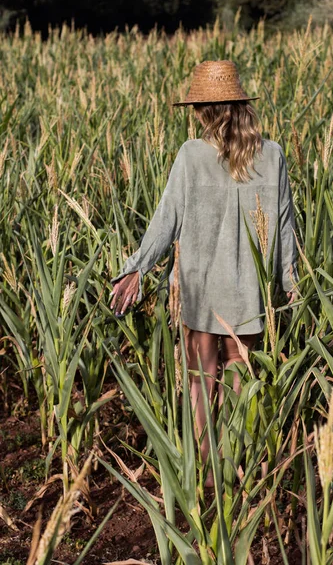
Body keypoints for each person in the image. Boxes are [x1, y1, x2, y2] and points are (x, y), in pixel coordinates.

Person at [110, 60, 299, 487]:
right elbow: (285, 225)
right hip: (248, 292)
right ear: (240, 104)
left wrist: (136, 269)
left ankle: (205, 471)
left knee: (200, 378)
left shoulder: (192, 154)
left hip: (197, 289)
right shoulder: (272, 155)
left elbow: (166, 221)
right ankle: (233, 465)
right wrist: (290, 282)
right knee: (238, 372)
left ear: (205, 111)